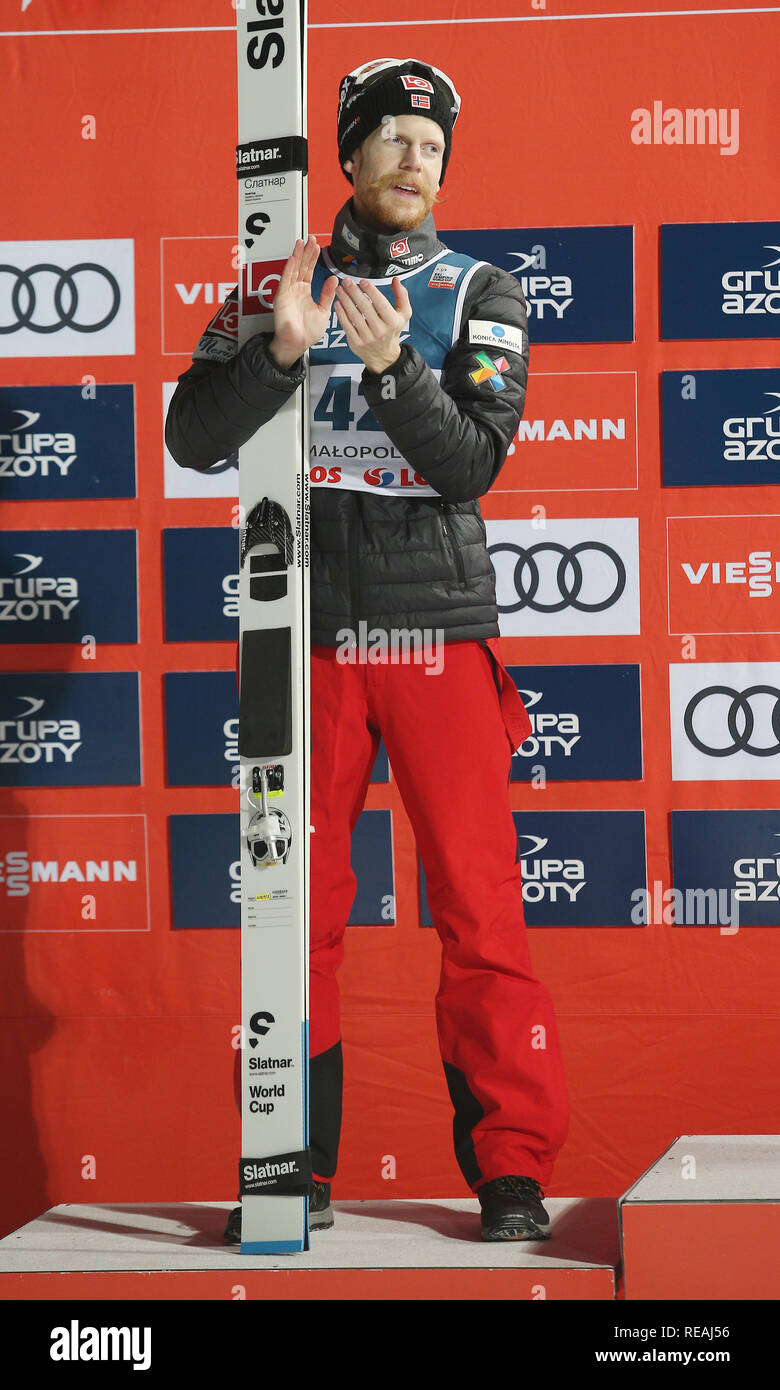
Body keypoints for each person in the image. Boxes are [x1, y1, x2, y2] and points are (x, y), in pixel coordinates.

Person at [165, 57, 569, 1243]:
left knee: (482, 916)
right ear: (347, 156)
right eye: (391, 136)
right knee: (300, 913)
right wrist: (280, 352)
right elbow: (192, 435)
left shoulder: (481, 291)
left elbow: (470, 465)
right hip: (307, 641)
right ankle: (297, 1166)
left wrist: (392, 367)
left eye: (432, 145)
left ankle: (512, 1172)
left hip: (436, 633)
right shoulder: (269, 281)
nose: (413, 157)